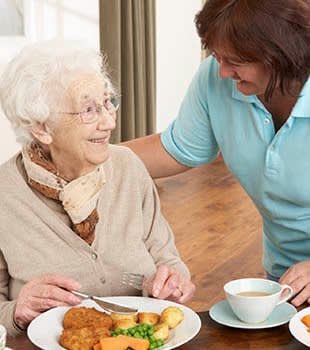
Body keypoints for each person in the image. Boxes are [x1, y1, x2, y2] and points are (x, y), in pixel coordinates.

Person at [0, 40, 195, 336]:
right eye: (88, 110)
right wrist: (16, 311)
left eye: (107, 102)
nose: (109, 121)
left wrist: (174, 282)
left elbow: (167, 259)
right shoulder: (5, 194)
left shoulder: (128, 166)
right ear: (41, 128)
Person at [124, 0, 310, 307]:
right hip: (286, 280)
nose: (222, 71)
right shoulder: (217, 77)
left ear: (281, 55)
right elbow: (177, 148)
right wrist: (86, 156)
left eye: (235, 61)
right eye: (216, 56)